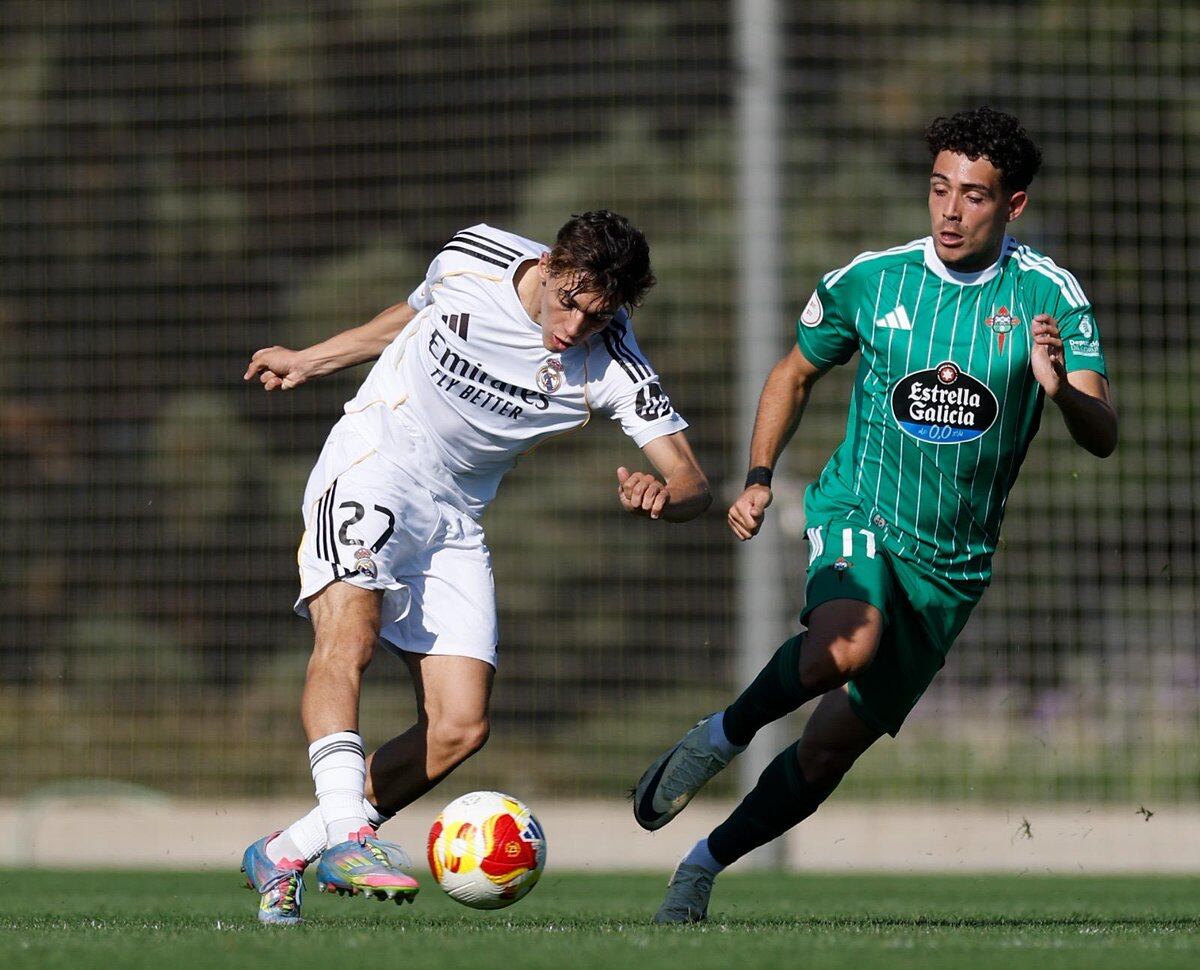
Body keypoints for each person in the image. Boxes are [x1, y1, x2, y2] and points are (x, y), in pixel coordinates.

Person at [633, 107, 1117, 922]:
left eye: (973, 196)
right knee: (848, 643)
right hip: (859, 511)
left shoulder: (1048, 297)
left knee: (827, 752)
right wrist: (758, 478)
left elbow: (1103, 435)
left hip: (951, 568)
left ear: (1015, 205)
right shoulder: (875, 279)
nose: (950, 211)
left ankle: (700, 867)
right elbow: (792, 374)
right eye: (939, 190)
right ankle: (722, 736)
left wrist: (1060, 386)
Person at [241, 210, 711, 925]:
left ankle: (291, 847)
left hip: (456, 518)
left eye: (599, 313)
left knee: (459, 726)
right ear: (551, 266)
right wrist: (311, 359)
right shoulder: (476, 253)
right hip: (375, 461)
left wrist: (663, 495)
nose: (576, 326)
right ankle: (350, 832)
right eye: (570, 301)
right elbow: (411, 314)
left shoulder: (613, 358)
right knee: (350, 635)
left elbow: (692, 482)